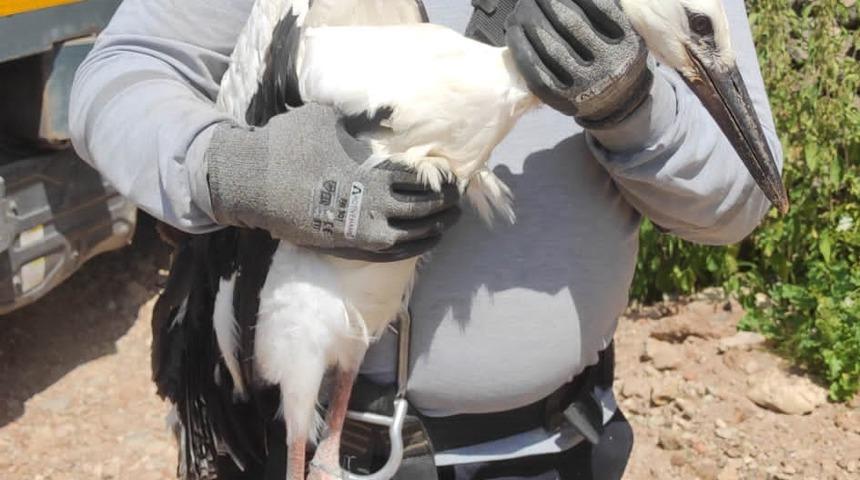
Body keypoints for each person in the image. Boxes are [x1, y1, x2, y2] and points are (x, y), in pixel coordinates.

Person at [69, 0, 782, 478]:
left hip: (555, 450)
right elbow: (117, 80)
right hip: (303, 443)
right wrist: (230, 169)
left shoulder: (687, 21)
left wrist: (632, 108)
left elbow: (736, 204)